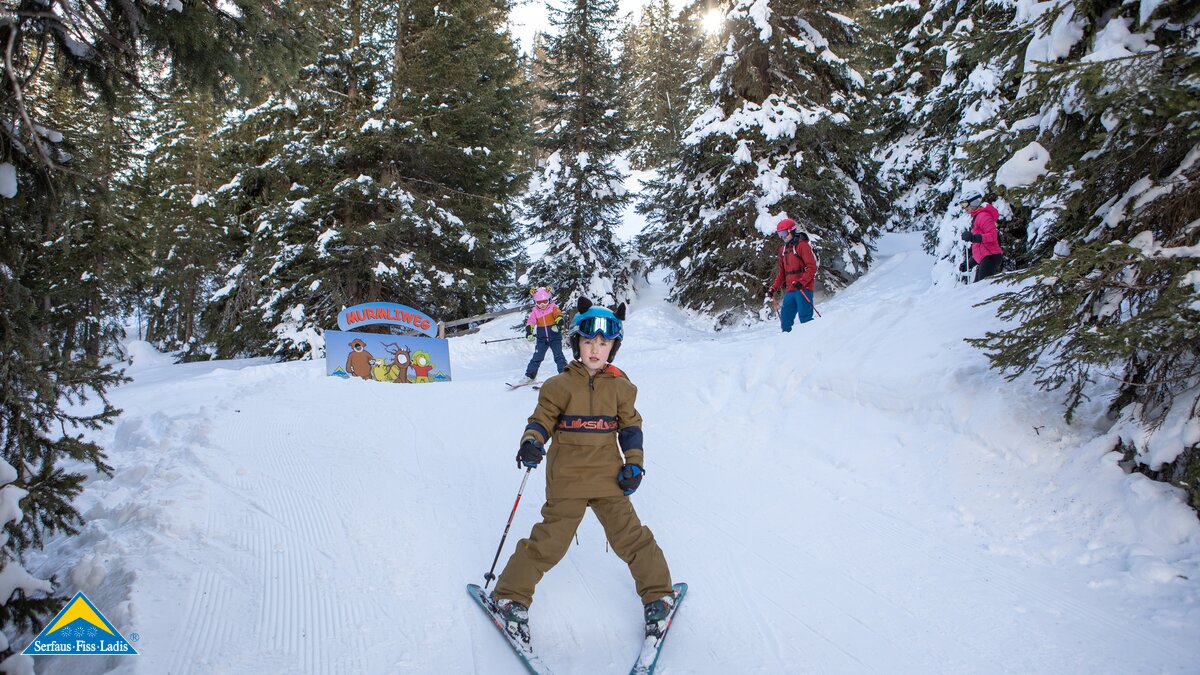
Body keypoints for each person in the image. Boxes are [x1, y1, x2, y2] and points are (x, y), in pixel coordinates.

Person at [491, 297, 674, 645]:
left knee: (632, 538)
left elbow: (631, 428)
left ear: (613, 348)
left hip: (608, 479)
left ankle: (658, 596)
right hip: (568, 480)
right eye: (588, 341)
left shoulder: (621, 387)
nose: (595, 349)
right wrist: (531, 442)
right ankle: (510, 597)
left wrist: (634, 464)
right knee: (548, 543)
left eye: (603, 343)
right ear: (577, 344)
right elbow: (541, 420)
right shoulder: (558, 386)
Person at [766, 218, 818, 332]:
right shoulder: (783, 250)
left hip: (803, 288)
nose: (782, 237)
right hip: (790, 290)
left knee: (805, 318)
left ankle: (812, 339)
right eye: (780, 234)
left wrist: (802, 282)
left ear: (791, 231)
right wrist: (773, 288)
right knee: (785, 321)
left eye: (784, 233)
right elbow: (782, 273)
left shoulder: (802, 246)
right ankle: (787, 341)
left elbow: (811, 267)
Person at [520, 287, 567, 384]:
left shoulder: (553, 308)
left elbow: (558, 315)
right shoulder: (535, 311)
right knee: (537, 357)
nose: (542, 305)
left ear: (549, 299)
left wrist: (559, 323)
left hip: (555, 337)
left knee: (558, 356)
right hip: (542, 338)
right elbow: (531, 321)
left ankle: (564, 375)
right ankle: (530, 376)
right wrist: (529, 331)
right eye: (539, 302)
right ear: (535, 302)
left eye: (545, 302)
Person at [959, 193, 1004, 282]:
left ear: (974, 203)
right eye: (962, 205)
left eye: (965, 204)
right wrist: (969, 264)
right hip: (986, 257)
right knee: (977, 287)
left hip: (991, 256)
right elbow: (981, 250)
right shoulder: (977, 217)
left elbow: (993, 235)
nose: (964, 208)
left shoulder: (983, 216)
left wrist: (973, 238)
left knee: (983, 286)